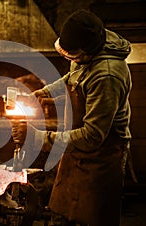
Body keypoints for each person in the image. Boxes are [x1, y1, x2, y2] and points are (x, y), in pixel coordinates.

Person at [12, 9, 132, 226]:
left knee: (92, 218)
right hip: (78, 149)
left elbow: (92, 137)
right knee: (62, 212)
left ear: (88, 52)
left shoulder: (107, 76)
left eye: (74, 56)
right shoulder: (86, 51)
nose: (71, 60)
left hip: (102, 155)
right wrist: (44, 92)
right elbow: (73, 76)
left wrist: (37, 138)